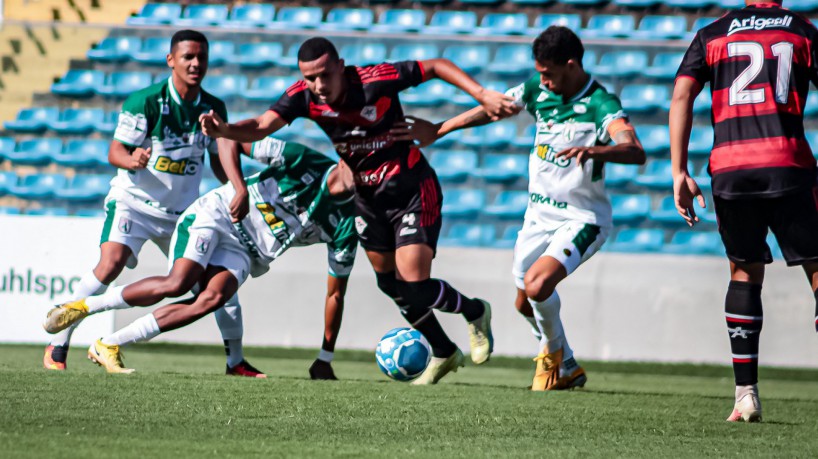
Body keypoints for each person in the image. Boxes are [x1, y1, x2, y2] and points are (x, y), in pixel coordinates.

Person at [199, 37, 520, 384]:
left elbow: (436, 66)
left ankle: (474, 310)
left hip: (411, 191)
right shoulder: (303, 97)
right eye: (310, 78)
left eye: (324, 74)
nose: (318, 85)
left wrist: (482, 94)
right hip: (368, 200)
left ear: (341, 66)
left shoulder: (374, 80)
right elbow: (262, 126)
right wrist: (225, 130)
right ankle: (443, 350)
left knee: (412, 283)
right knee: (389, 283)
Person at [408, 26, 645, 391]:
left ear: (571, 65)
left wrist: (596, 150)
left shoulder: (601, 103)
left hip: (582, 218)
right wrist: (441, 129)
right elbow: (494, 110)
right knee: (523, 303)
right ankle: (568, 366)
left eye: (548, 73)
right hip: (538, 216)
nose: (543, 80)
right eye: (540, 73)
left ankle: (552, 358)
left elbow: (634, 150)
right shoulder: (537, 90)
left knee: (537, 285)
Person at [42, 30, 263, 377]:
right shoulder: (145, 102)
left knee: (218, 284)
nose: (196, 63)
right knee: (110, 264)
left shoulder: (213, 108)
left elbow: (220, 158)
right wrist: (133, 160)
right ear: (170, 60)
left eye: (202, 57)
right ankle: (59, 344)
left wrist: (236, 189)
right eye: (188, 56)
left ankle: (235, 361)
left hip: (182, 215)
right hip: (134, 204)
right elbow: (115, 151)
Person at [43, 137, 358, 376]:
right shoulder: (302, 158)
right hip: (218, 215)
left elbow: (336, 294)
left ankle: (108, 344)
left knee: (213, 299)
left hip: (245, 250)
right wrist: (239, 188)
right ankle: (84, 307)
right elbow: (229, 140)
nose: (372, 177)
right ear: (346, 156)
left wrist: (325, 357)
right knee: (178, 283)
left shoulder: (348, 224)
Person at [670, 0, 818, 422]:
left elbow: (681, 94)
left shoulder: (713, 33)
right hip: (788, 164)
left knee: (744, 272)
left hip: (731, 170)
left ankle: (745, 395)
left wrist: (679, 172)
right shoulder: (801, 30)